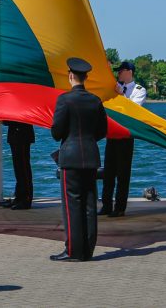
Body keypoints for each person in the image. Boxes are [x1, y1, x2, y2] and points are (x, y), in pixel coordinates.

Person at [50, 57, 108, 262]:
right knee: (90, 205)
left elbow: (56, 132)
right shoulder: (95, 100)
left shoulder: (64, 100)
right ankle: (88, 250)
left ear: (70, 76)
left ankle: (74, 250)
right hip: (91, 156)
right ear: (86, 77)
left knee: (71, 205)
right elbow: (103, 130)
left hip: (71, 157)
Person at [100, 61, 147, 217]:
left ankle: (120, 207)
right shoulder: (114, 88)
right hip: (112, 133)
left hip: (126, 135)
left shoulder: (139, 90)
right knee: (108, 172)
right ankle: (106, 205)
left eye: (120, 71)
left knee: (123, 173)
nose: (118, 74)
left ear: (129, 72)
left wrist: (121, 94)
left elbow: (132, 110)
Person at [4, 121, 34, 209]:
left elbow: (19, 118)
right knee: (18, 169)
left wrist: (4, 121)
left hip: (22, 134)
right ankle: (19, 196)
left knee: (23, 168)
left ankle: (26, 199)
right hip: (16, 134)